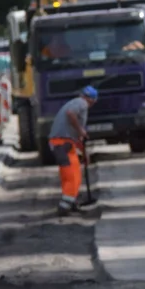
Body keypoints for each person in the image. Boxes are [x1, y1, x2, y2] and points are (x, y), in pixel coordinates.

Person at [49, 86, 98, 214]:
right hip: (61, 143)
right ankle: (64, 206)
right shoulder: (81, 103)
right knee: (72, 175)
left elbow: (76, 138)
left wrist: (84, 153)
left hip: (64, 143)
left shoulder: (76, 102)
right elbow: (70, 114)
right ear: (92, 100)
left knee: (72, 173)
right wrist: (81, 130)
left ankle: (71, 202)